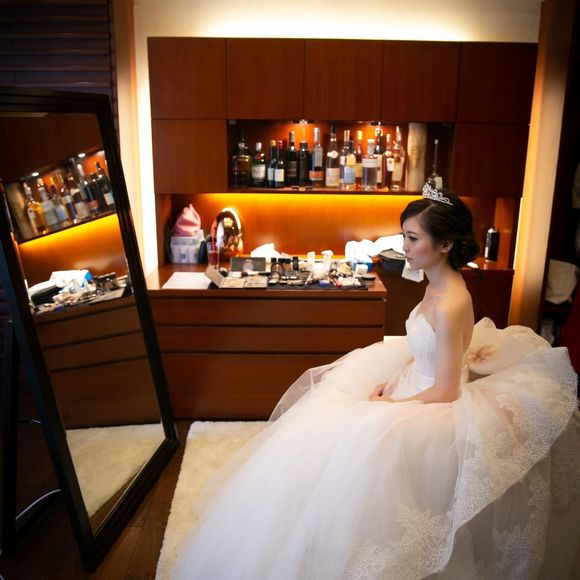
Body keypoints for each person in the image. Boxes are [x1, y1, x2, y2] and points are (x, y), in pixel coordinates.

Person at [172, 186, 580, 580]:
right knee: (327, 445)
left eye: (413, 238)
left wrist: (391, 407)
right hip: (418, 382)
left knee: (359, 450)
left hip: (438, 401)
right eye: (404, 235)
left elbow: (446, 391)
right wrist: (394, 379)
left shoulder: (451, 302)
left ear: (444, 244)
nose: (404, 246)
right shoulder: (436, 284)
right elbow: (426, 350)